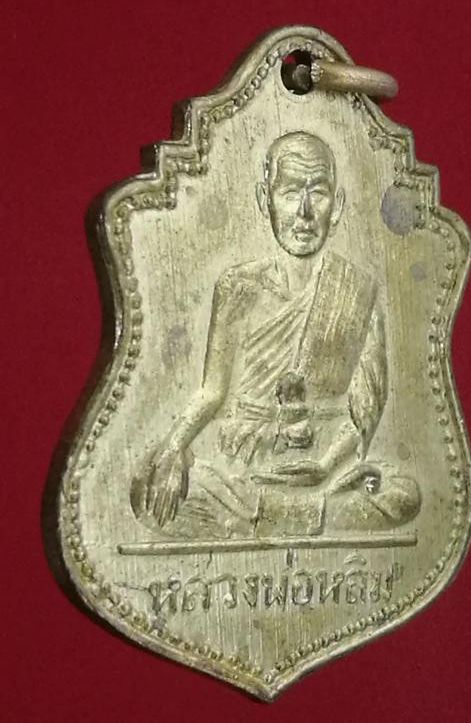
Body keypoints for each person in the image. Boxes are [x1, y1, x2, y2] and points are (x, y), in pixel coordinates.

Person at [131, 131, 420, 536]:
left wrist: (323, 466)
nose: (304, 212)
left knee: (405, 495)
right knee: (149, 487)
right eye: (289, 193)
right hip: (243, 461)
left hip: (322, 466)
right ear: (263, 199)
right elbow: (212, 391)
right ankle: (296, 516)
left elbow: (364, 413)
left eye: (317, 193)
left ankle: (262, 517)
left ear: (337, 205)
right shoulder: (238, 286)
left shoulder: (358, 290)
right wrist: (174, 447)